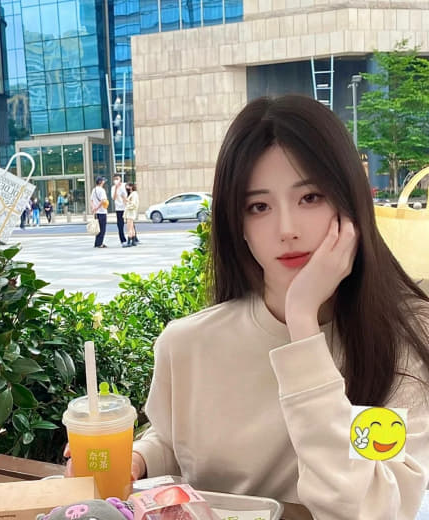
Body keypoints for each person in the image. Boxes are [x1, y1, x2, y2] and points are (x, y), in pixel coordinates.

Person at [128, 95, 429, 519]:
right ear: (238, 225)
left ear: (351, 204)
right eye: (259, 207)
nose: (287, 229)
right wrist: (140, 458)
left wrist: (302, 323)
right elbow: (176, 441)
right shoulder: (187, 343)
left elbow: (367, 509)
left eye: (310, 197)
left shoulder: (405, 338)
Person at [90, 176, 109, 248]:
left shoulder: (94, 190)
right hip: (102, 212)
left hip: (96, 213)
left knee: (97, 228)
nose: (104, 182)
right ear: (101, 182)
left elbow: (91, 200)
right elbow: (103, 200)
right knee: (102, 229)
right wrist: (97, 207)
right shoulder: (102, 190)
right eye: (103, 181)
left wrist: (93, 208)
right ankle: (100, 243)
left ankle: (97, 243)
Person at [111, 173, 127, 247]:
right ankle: (123, 240)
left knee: (130, 223)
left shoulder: (124, 185)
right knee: (120, 224)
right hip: (118, 208)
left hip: (126, 207)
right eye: (115, 179)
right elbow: (114, 198)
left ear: (120, 179)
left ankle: (133, 238)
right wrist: (116, 188)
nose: (116, 180)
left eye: (117, 179)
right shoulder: (113, 188)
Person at [123, 183, 140, 247]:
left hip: (130, 212)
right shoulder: (133, 194)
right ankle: (133, 241)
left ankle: (129, 242)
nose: (126, 188)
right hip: (131, 212)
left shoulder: (134, 194)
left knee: (129, 227)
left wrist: (127, 203)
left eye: (127, 186)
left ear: (131, 187)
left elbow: (133, 204)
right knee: (132, 227)